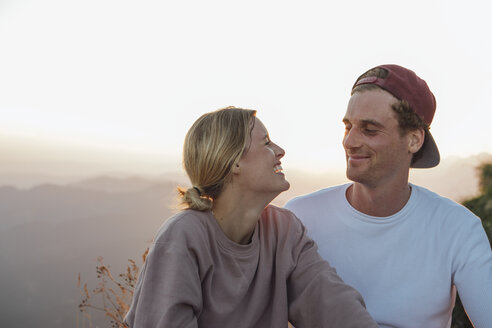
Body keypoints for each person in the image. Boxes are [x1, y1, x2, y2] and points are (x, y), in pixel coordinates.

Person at [124, 106, 377, 328]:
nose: (280, 150)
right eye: (266, 143)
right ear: (233, 162)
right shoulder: (183, 237)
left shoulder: (283, 230)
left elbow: (331, 303)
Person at [285, 64, 492, 328]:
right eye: (348, 127)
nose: (350, 142)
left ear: (414, 140)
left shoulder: (458, 228)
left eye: (370, 130)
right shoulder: (300, 217)